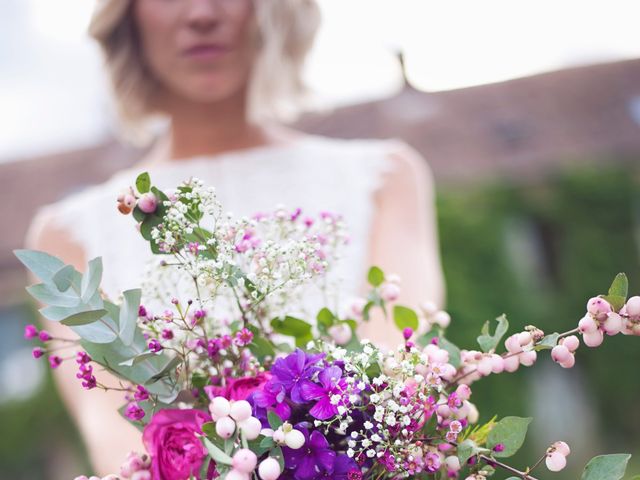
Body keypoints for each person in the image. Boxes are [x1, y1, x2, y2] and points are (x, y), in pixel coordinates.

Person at [25, 0, 445, 475]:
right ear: (128, 17)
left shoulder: (385, 179)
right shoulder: (69, 235)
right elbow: (118, 441)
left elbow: (400, 382)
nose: (202, 13)